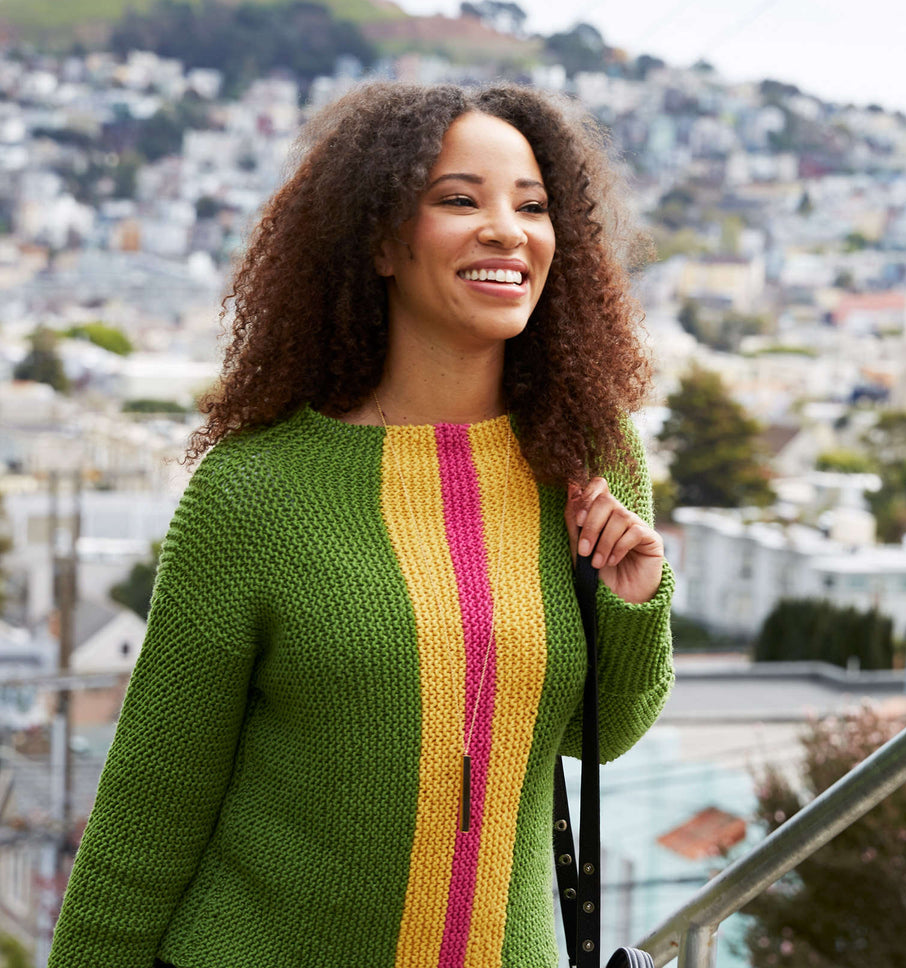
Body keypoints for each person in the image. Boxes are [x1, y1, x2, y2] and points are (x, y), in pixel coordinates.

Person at [49, 83, 675, 968]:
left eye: (532, 206)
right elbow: (152, 806)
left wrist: (634, 599)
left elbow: (597, 735)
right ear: (381, 241)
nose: (507, 230)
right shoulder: (255, 492)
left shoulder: (587, 458)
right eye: (460, 199)